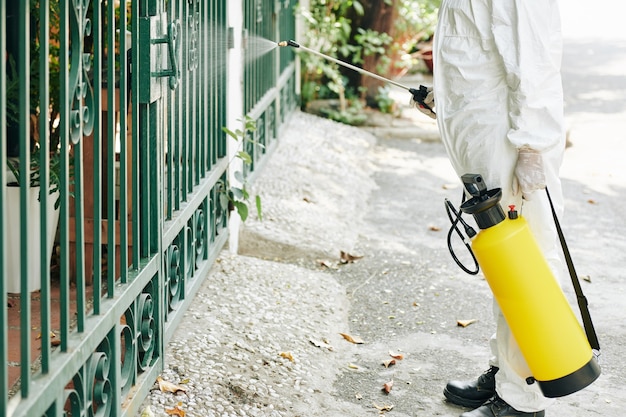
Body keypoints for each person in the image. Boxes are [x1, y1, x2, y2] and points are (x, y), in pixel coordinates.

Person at [413, 1, 566, 416]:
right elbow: (478, 52)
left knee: (525, 263)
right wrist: (443, 99)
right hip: (486, 139)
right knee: (504, 262)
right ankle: (507, 373)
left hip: (510, 144)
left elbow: (535, 56)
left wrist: (532, 143)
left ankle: (522, 396)